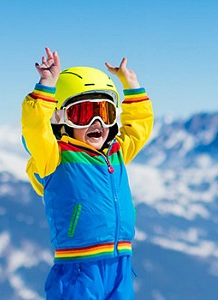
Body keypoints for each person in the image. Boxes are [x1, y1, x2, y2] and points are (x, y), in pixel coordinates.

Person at [21, 47, 154, 299]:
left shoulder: (115, 152)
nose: (98, 124)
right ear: (61, 117)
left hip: (120, 263)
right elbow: (35, 129)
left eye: (105, 113)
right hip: (78, 268)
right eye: (83, 114)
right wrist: (46, 86)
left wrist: (131, 84)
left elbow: (139, 129)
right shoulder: (56, 158)